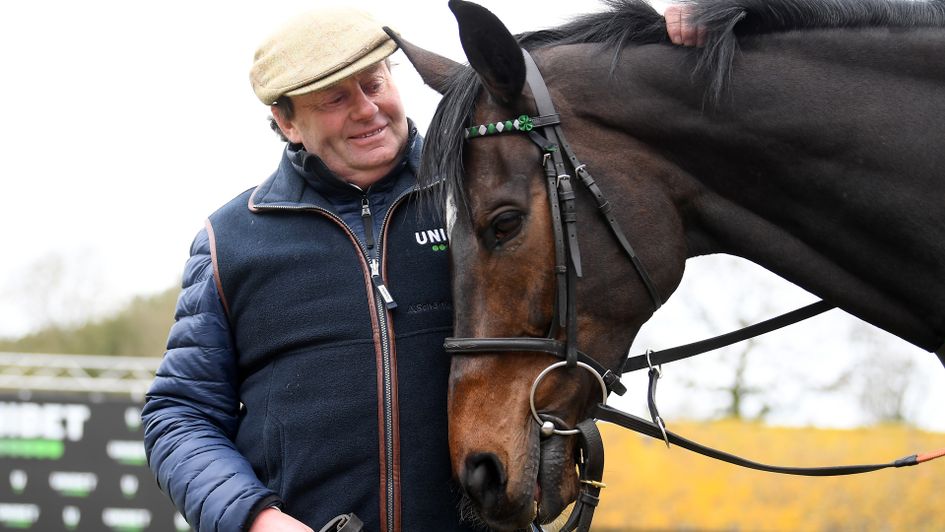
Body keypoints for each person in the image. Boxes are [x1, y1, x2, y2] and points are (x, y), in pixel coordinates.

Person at [141, 5, 703, 532]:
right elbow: (179, 413)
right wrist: (252, 518)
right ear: (286, 121)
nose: (366, 108)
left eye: (374, 82)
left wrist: (680, 34)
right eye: (333, 99)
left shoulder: (481, 198)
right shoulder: (230, 239)